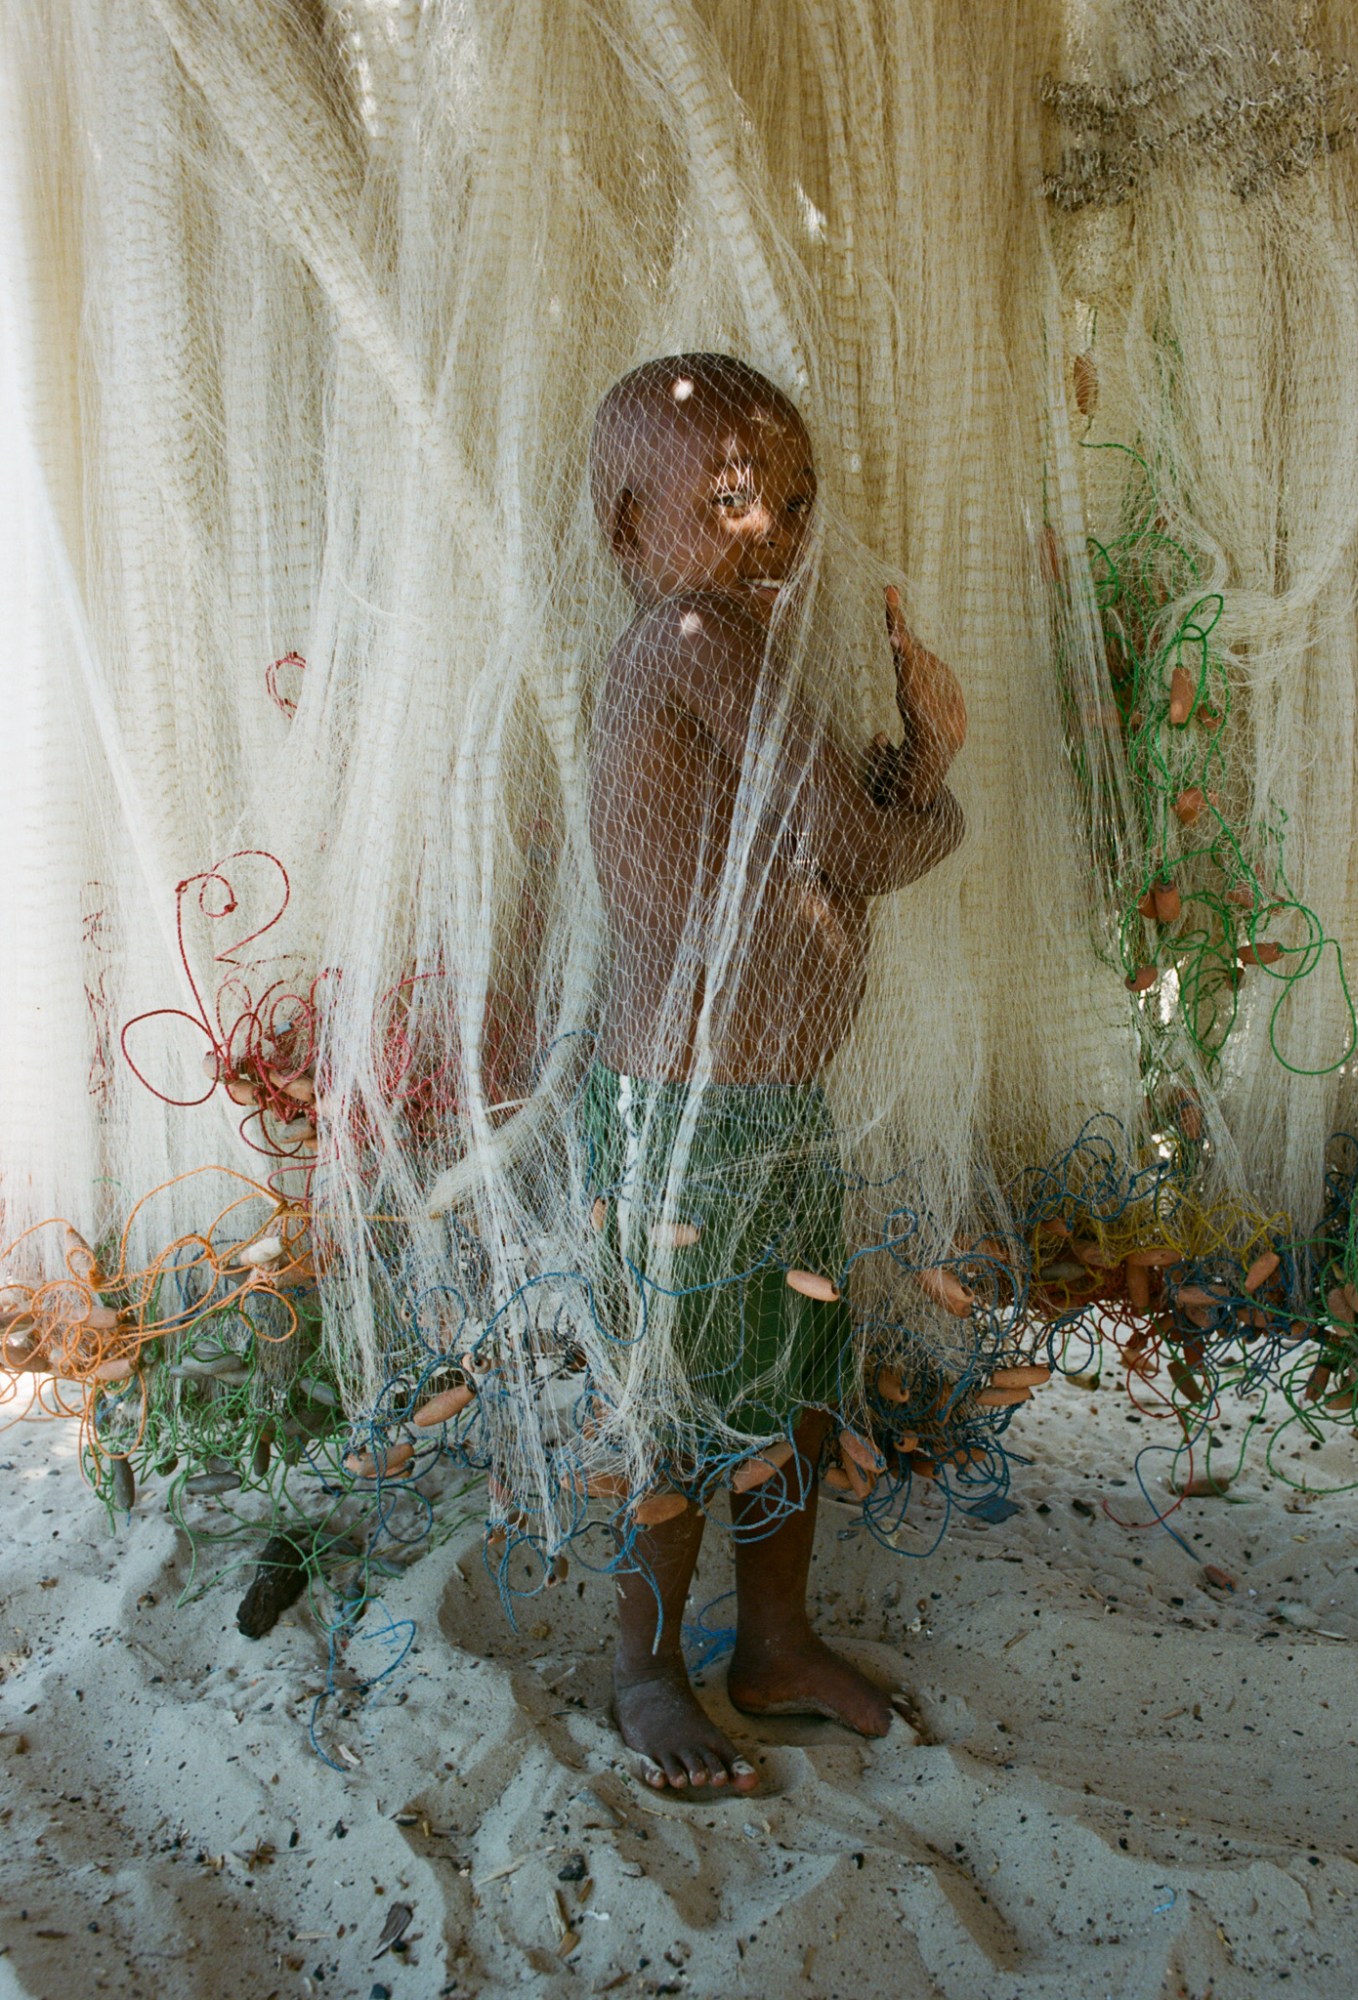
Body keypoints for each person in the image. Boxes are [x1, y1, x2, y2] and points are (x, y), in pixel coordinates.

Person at [583, 352, 968, 1798]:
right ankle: (646, 1669)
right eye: (735, 498)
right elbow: (866, 852)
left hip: (756, 1104)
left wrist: (897, 785)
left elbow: (823, 838)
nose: (778, 537)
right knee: (682, 1402)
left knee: (795, 1384)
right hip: (695, 1116)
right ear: (634, 530)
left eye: (793, 504)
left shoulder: (722, 650)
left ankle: (776, 1641)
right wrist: (930, 765)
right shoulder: (695, 637)